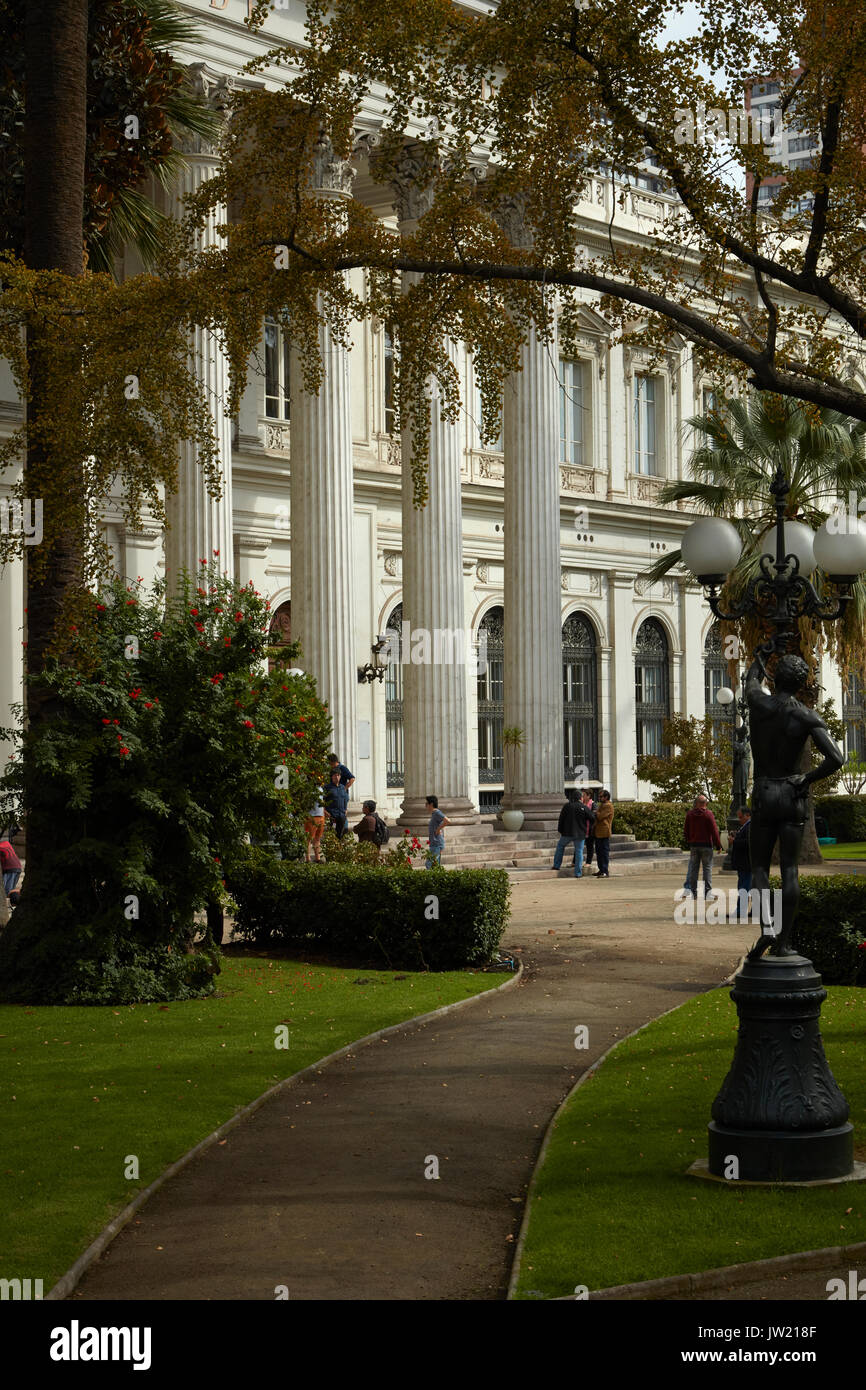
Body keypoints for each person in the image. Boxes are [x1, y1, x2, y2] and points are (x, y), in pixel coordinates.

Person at [745, 649, 844, 958]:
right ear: (801, 684)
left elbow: (750, 679)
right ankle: (784, 943)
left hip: (764, 793)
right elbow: (836, 759)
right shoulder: (804, 714)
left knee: (759, 866)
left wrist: (763, 651)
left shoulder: (758, 702)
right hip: (791, 792)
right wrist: (807, 778)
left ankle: (767, 928)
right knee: (790, 870)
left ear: (777, 679)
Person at [682, 793, 722, 897]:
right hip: (706, 846)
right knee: (707, 869)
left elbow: (685, 831)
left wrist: (689, 841)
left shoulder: (690, 814)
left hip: (694, 845)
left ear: (697, 803)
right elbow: (714, 831)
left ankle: (693, 892)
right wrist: (718, 845)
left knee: (694, 870)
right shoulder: (708, 814)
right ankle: (707, 893)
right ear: (706, 803)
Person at [552, 792, 593, 877]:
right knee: (579, 852)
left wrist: (560, 830)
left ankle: (556, 865)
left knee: (560, 846)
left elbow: (561, 819)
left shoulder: (567, 806)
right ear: (580, 798)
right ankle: (578, 873)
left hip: (567, 833)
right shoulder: (583, 807)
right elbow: (592, 818)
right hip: (580, 834)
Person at [729, 805, 752, 920]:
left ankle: (740, 911)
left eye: (741, 817)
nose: (739, 819)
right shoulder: (747, 826)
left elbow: (749, 843)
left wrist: (735, 841)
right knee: (747, 887)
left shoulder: (750, 826)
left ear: (747, 815)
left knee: (744, 887)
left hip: (746, 863)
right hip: (745, 863)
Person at [592, 790, 614, 877]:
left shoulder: (608, 806)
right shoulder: (602, 805)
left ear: (606, 797)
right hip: (598, 832)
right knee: (599, 852)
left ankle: (605, 871)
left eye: (601, 797)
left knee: (604, 853)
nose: (599, 798)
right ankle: (601, 870)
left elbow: (600, 816)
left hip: (604, 832)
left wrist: (596, 812)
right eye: (599, 796)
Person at [323, 768, 349, 839]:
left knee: (340, 835)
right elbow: (322, 801)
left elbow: (345, 799)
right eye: (335, 775)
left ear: (340, 776)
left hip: (342, 816)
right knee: (331, 836)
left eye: (338, 775)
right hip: (332, 816)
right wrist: (325, 811)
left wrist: (346, 810)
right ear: (332, 777)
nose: (337, 777)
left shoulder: (343, 787)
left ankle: (339, 849)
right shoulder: (327, 788)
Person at [425, 795, 450, 868]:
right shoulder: (434, 814)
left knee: (429, 864)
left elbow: (448, 820)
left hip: (437, 843)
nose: (425, 806)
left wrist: (438, 829)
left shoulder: (437, 813)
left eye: (426, 804)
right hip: (434, 843)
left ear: (431, 804)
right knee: (435, 865)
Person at [0, 833, 21, 909]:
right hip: (18, 867)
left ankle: (14, 904)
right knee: (9, 890)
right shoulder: (6, 843)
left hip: (9, 869)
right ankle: (15, 903)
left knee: (5, 892)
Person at [304, 786, 326, 862]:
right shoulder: (307, 787)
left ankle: (317, 858)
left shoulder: (320, 788)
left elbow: (322, 802)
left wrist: (324, 814)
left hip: (321, 816)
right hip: (311, 816)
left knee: (317, 838)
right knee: (309, 839)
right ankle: (308, 859)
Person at [581, 790, 596, 868]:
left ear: (589, 796)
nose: (582, 797)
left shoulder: (593, 805)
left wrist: (585, 813)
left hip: (590, 829)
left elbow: (593, 817)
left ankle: (588, 862)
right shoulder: (581, 804)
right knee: (578, 846)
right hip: (581, 829)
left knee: (589, 846)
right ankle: (574, 862)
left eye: (584, 795)